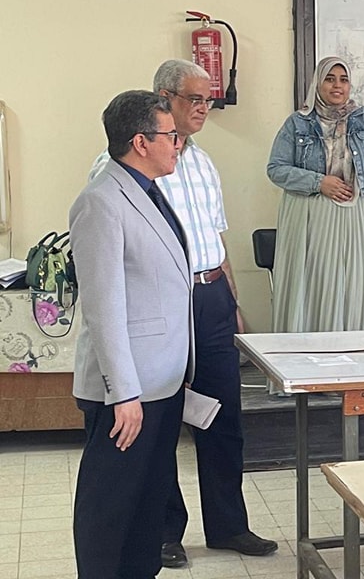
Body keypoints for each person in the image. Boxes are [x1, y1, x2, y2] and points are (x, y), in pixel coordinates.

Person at [90, 59, 277, 568]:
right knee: (165, 417)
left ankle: (229, 524)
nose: (203, 108)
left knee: (223, 413)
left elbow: (214, 236)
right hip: (163, 304)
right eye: (193, 99)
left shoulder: (203, 162)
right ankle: (165, 531)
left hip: (210, 296)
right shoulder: (121, 169)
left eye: (208, 100)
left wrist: (231, 299)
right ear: (163, 98)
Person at [71, 90, 193, 578]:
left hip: (161, 380)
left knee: (147, 505)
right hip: (127, 391)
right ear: (141, 142)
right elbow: (103, 308)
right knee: (110, 508)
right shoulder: (101, 201)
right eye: (171, 135)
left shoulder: (148, 190)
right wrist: (123, 393)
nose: (178, 144)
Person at [267, 56, 364, 333]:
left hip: (353, 219)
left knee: (352, 288)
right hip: (309, 217)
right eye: (330, 79)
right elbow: (276, 169)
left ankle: (352, 354)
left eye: (343, 80)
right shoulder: (297, 122)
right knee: (313, 286)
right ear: (318, 84)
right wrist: (318, 182)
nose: (337, 86)